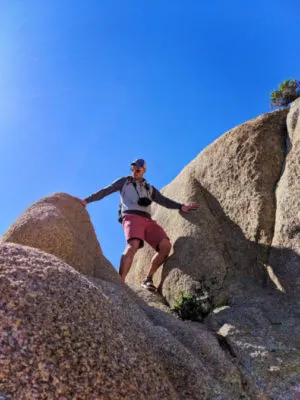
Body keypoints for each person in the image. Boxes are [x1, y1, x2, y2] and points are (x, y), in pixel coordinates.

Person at [79, 158, 199, 291]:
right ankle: (120, 283)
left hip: (148, 220)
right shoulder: (124, 182)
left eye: (138, 168)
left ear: (144, 170)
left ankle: (148, 278)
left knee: (165, 246)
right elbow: (105, 191)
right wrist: (86, 200)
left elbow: (164, 201)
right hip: (131, 216)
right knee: (133, 244)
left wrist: (181, 206)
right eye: (133, 168)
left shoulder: (149, 188)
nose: (134, 170)